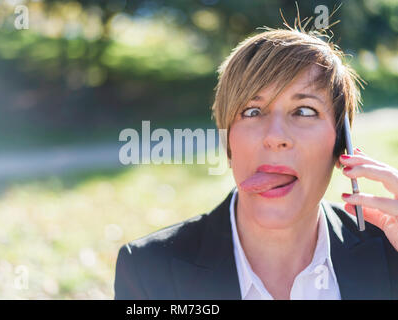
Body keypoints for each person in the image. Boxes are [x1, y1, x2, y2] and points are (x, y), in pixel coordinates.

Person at [114, 26, 398, 300]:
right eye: (252, 111)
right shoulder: (149, 271)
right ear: (228, 142)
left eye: (303, 111)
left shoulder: (389, 251)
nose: (275, 137)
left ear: (340, 146)